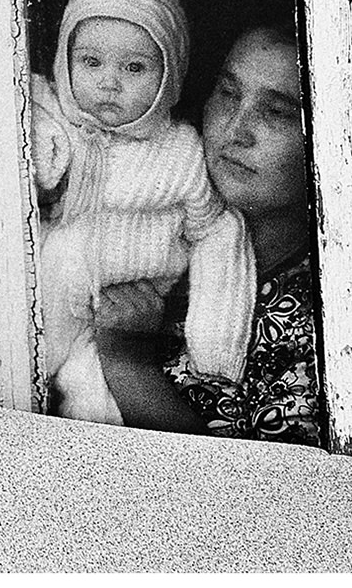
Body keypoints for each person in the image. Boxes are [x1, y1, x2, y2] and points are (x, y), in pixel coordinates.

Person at [0, 0, 254, 422]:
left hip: (122, 311)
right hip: (41, 293)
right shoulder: (51, 111)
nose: (109, 82)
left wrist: (214, 351)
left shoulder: (181, 151)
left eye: (135, 67)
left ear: (169, 75)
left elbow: (215, 233)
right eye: (91, 62)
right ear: (64, 60)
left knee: (102, 413)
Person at [90, 25, 326, 446]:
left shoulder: (325, 316)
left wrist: (127, 360)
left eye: (277, 112)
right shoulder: (155, 232)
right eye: (229, 94)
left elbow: (245, 496)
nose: (237, 129)